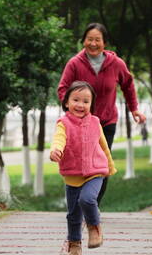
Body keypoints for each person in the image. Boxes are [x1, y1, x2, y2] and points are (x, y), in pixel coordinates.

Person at [58, 22, 146, 204]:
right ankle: (78, 202)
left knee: (101, 163)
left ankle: (92, 204)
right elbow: (63, 88)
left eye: (97, 40)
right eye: (89, 39)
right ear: (83, 41)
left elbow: (128, 85)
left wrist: (134, 108)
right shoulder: (74, 64)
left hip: (106, 122)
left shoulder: (116, 64)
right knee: (80, 162)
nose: (93, 43)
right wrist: (71, 109)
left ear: (104, 43)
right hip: (79, 125)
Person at [50, 81, 117, 255]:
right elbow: (59, 139)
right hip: (73, 175)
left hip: (96, 172)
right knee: (73, 215)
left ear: (91, 105)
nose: (80, 105)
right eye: (76, 100)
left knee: (87, 199)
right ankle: (74, 243)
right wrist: (56, 150)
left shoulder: (95, 122)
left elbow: (104, 146)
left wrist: (110, 167)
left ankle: (94, 227)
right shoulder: (63, 123)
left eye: (86, 101)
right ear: (66, 102)